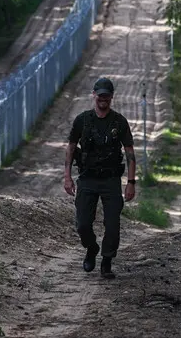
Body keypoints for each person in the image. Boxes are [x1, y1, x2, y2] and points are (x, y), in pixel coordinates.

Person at [64, 77, 136, 279]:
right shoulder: (82, 120)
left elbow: (130, 153)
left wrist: (131, 183)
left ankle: (106, 261)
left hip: (111, 180)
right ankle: (92, 248)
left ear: (112, 97)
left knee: (112, 225)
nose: (103, 98)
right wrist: (67, 176)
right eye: (100, 94)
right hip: (87, 179)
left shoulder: (119, 122)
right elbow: (71, 148)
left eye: (107, 95)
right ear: (93, 95)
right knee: (83, 225)